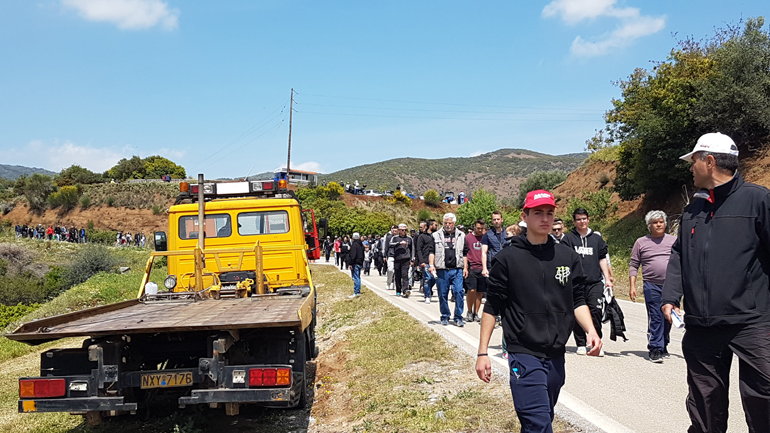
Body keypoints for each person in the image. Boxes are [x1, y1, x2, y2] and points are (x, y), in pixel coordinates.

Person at [662, 132, 770, 433]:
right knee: (704, 406)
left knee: (764, 401)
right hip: (702, 327)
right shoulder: (692, 210)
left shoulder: (758, 200)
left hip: (752, 323)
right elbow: (680, 254)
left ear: (709, 161)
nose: (691, 167)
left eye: (694, 161)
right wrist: (670, 295)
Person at [475, 189, 603, 433]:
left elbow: (577, 300)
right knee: (538, 423)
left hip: (556, 353)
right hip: (522, 352)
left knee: (542, 417)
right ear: (525, 216)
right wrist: (483, 353)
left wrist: (591, 330)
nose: (545, 218)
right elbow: (492, 307)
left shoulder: (567, 256)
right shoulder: (507, 258)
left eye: (550, 213)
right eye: (538, 213)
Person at [561, 208, 612, 356]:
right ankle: (581, 343)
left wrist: (607, 279)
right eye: (578, 219)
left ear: (588, 219)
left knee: (595, 311)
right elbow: (564, 260)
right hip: (575, 282)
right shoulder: (568, 239)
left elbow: (602, 259)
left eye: (584, 218)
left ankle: (596, 342)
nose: (582, 221)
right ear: (574, 221)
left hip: (594, 281)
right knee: (577, 312)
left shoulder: (597, 239)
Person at [629, 210, 676, 363]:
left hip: (671, 285)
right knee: (656, 316)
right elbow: (634, 264)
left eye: (661, 221)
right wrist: (632, 286)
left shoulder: (673, 241)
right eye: (655, 222)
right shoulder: (641, 242)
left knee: (669, 317)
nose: (659, 224)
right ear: (649, 226)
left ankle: (664, 344)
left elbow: (682, 261)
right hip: (651, 285)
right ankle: (655, 348)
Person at [429, 213, 466, 327]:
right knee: (442, 294)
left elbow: (465, 253)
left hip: (457, 269)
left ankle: (458, 317)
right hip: (442, 269)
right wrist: (431, 265)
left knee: (459, 292)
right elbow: (431, 251)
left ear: (454, 223)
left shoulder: (461, 235)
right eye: (446, 223)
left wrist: (465, 267)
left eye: (450, 223)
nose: (448, 225)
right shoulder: (436, 235)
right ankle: (445, 315)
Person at [464, 218, 486, 323]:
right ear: (474, 226)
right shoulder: (468, 238)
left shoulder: (485, 238)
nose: (480, 230)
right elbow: (464, 252)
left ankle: (476, 313)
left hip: (482, 268)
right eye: (478, 228)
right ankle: (469, 310)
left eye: (482, 228)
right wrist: (465, 267)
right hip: (471, 267)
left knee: (480, 292)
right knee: (471, 290)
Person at [416, 220, 438, 304]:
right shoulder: (422, 236)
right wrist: (421, 261)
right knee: (427, 278)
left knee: (434, 278)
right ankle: (427, 295)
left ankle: (429, 290)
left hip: (436, 262)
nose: (436, 226)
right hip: (426, 260)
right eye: (435, 225)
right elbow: (419, 249)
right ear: (430, 226)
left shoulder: (437, 236)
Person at [389, 224, 413, 297]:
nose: (404, 231)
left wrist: (412, 259)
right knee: (398, 275)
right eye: (402, 230)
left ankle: (405, 290)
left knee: (405, 275)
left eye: (405, 230)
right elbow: (390, 244)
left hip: (406, 259)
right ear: (399, 230)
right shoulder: (395, 238)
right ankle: (398, 290)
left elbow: (412, 249)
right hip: (397, 259)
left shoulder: (409, 238)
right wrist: (399, 243)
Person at [481, 211, 505, 278]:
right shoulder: (487, 235)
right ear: (492, 221)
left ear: (502, 220)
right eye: (494, 219)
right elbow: (484, 253)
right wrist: (484, 268)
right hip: (492, 266)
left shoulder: (507, 234)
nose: (496, 221)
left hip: (506, 265)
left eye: (498, 219)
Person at [348, 233, 365, 298]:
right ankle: (358, 291)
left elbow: (353, 255)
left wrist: (351, 263)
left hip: (355, 263)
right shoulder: (361, 244)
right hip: (360, 262)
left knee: (356, 278)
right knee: (358, 277)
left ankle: (356, 292)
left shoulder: (354, 245)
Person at [383, 225, 398, 290]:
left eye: (395, 230)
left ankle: (395, 284)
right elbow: (386, 246)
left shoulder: (399, 237)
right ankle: (388, 282)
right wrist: (384, 255)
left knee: (397, 271)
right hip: (390, 255)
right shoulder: (388, 237)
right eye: (393, 229)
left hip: (398, 256)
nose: (394, 231)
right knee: (390, 270)